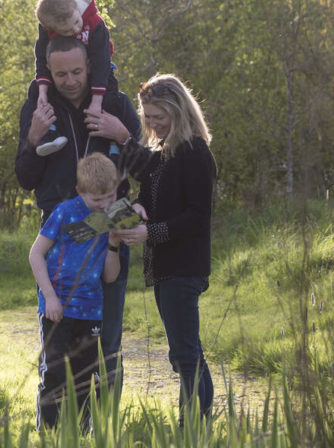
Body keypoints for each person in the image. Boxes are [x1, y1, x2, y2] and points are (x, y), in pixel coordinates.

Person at [16, 36, 138, 390]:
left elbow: (145, 167)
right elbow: (25, 178)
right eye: (60, 74)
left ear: (90, 66)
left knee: (109, 338)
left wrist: (124, 134)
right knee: (58, 337)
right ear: (48, 72)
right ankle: (59, 422)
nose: (69, 81)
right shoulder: (37, 106)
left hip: (114, 214)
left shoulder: (115, 102)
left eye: (77, 72)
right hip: (59, 226)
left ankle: (105, 427)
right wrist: (33, 140)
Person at [112, 73, 217, 422]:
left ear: (180, 111)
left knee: (186, 356)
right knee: (185, 354)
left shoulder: (195, 153)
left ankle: (192, 427)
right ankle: (198, 424)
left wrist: (150, 233)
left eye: (160, 117)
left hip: (184, 267)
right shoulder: (165, 153)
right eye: (148, 118)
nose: (153, 125)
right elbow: (150, 192)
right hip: (165, 267)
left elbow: (197, 218)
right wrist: (141, 208)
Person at [28, 153, 123, 429]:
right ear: (81, 191)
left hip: (90, 311)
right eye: (97, 200)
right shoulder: (64, 212)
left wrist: (114, 244)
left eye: (110, 197)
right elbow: (35, 254)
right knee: (55, 372)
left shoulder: (112, 215)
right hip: (56, 309)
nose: (104, 205)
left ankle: (80, 434)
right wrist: (50, 297)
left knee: (84, 378)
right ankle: (47, 433)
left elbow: (110, 275)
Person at [31, 0, 127, 156]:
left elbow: (101, 62)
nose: (75, 30)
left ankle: (113, 147)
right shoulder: (46, 29)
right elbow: (41, 59)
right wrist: (42, 92)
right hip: (69, 69)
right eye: (66, 31)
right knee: (44, 97)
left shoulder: (96, 24)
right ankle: (50, 135)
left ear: (76, 8)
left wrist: (97, 101)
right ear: (50, 29)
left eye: (76, 22)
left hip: (99, 69)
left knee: (110, 99)